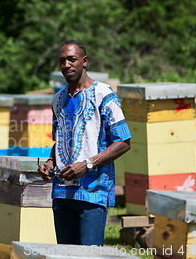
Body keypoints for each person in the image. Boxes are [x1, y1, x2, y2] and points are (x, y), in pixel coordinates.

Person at [37, 40, 131, 246]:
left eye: (72, 59)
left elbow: (123, 141)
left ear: (84, 61)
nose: (67, 65)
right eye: (62, 61)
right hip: (61, 192)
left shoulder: (104, 95)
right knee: (65, 253)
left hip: (93, 192)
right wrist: (50, 163)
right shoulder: (57, 100)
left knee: (89, 254)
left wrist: (87, 164)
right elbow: (60, 141)